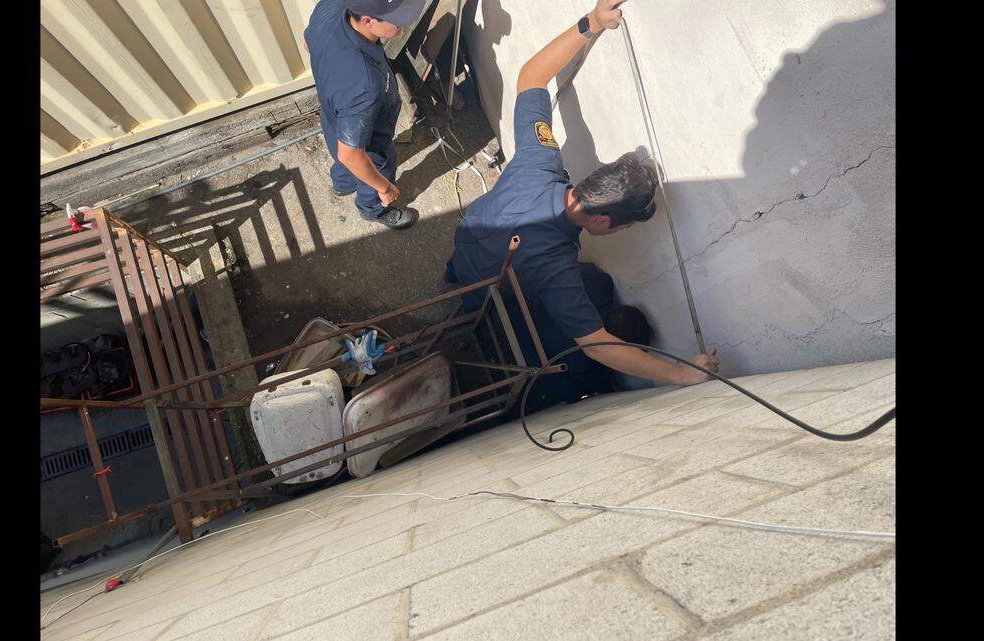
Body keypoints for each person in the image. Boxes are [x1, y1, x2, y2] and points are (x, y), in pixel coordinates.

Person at [445, 0, 720, 410]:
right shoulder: (555, 268)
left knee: (591, 286)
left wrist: (590, 23)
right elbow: (600, 348)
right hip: (487, 295)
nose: (621, 233)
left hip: (466, 245)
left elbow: (531, 77)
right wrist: (685, 374)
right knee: (574, 330)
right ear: (605, 219)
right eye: (624, 228)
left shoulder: (541, 160)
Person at [304, 0, 426, 230]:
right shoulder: (363, 84)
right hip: (369, 139)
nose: (403, 26)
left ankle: (342, 184)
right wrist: (385, 188)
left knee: (339, 151)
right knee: (376, 166)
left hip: (333, 117)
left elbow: (308, 43)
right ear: (368, 21)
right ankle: (373, 209)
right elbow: (351, 154)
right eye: (397, 21)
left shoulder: (330, 7)